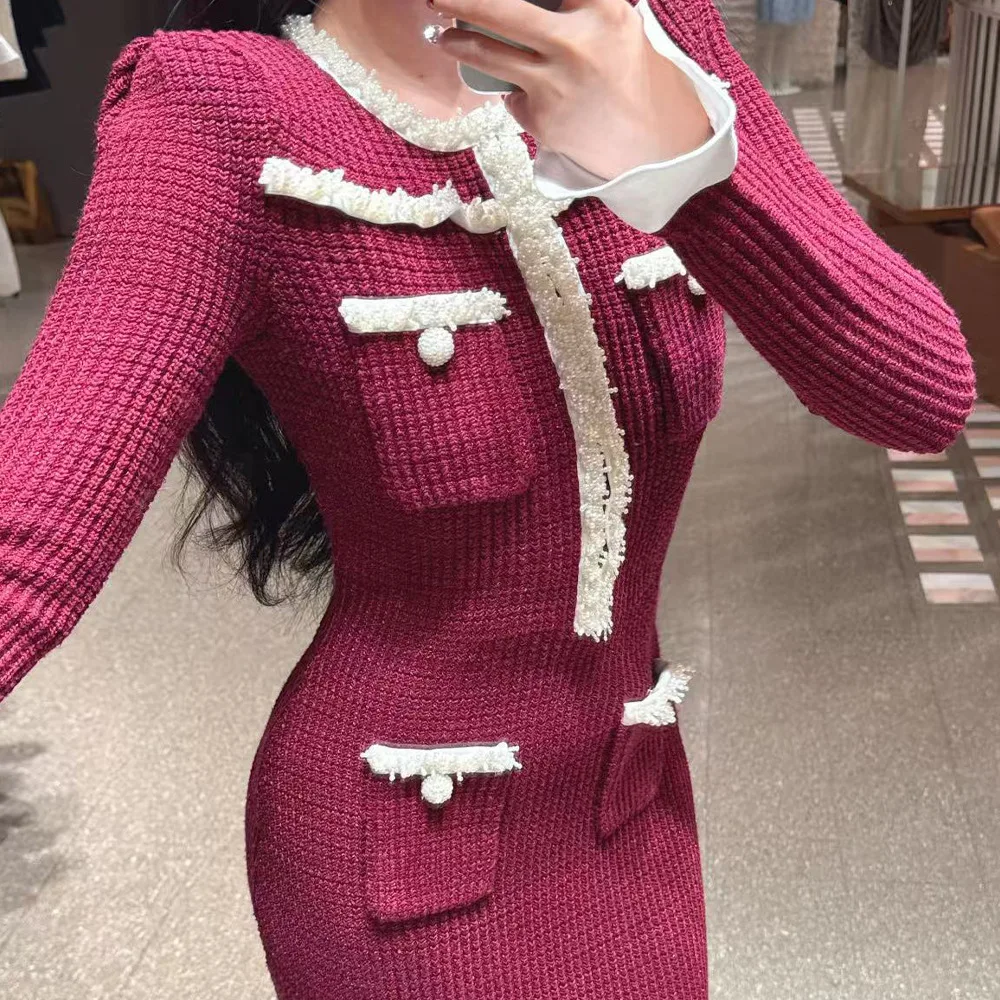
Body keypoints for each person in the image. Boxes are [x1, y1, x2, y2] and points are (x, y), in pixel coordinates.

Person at [0, 0, 976, 998]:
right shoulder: (217, 109)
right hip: (399, 852)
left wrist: (684, 174)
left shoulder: (660, 36)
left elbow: (920, 392)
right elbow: (31, 530)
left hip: (634, 808)